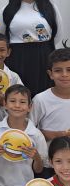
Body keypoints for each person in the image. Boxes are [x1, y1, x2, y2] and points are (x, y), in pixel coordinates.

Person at [0, 0, 63, 97]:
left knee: (41, 97)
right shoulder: (7, 9)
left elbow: (57, 36)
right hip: (16, 59)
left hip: (43, 58)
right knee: (17, 97)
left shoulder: (50, 7)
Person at [31, 48, 70, 178]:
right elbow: (28, 131)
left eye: (69, 70)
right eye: (58, 70)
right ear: (50, 74)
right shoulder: (41, 99)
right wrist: (59, 135)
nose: (64, 74)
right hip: (48, 164)